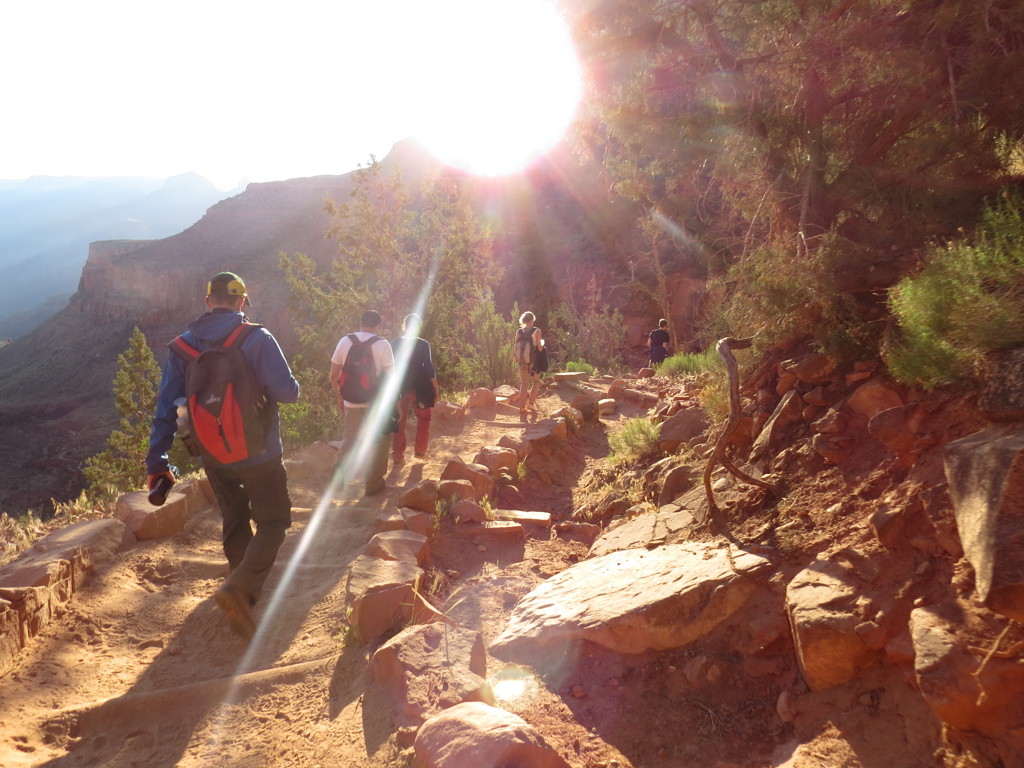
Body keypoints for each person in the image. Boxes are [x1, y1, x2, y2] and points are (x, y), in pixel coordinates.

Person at [146, 271, 300, 640]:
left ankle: (240, 604)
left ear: (207, 302)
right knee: (275, 521)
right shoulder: (257, 337)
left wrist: (157, 463)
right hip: (260, 451)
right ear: (242, 302)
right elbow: (288, 392)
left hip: (212, 455)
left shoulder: (182, 347)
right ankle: (241, 589)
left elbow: (165, 408)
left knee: (234, 520)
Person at [330, 309, 395, 496]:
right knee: (380, 440)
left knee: (350, 437)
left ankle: (339, 467)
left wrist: (340, 396)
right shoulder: (382, 344)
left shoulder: (345, 341)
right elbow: (392, 378)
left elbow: (334, 375)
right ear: (378, 326)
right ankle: (373, 484)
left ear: (360, 323)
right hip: (374, 403)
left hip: (351, 401)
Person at [389, 313, 439, 464]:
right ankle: (420, 452)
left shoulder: (395, 343)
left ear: (404, 325)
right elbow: (429, 367)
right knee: (424, 419)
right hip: (420, 387)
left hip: (400, 387)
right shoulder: (423, 344)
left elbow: (390, 366)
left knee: (399, 421)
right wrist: (435, 387)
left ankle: (398, 457)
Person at [514, 311, 544, 415]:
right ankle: (531, 403)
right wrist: (542, 347)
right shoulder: (537, 331)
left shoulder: (519, 331)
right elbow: (540, 348)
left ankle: (522, 407)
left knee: (524, 383)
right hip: (534, 361)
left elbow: (515, 346)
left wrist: (516, 358)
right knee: (536, 381)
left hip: (522, 361)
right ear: (532, 320)